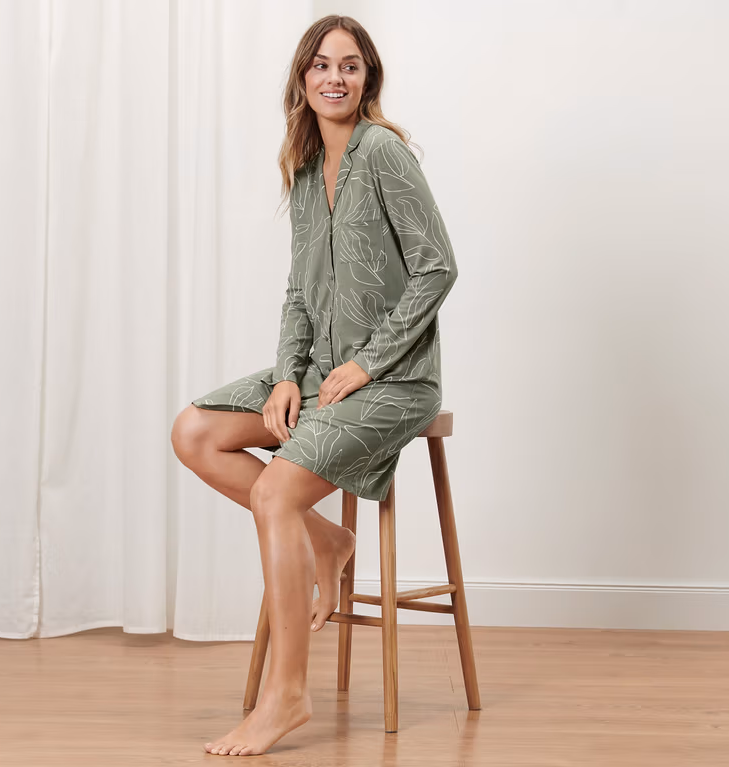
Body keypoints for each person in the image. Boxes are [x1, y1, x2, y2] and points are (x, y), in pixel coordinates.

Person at [170, 14, 458, 757]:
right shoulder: (302, 168)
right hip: (320, 368)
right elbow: (300, 290)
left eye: (350, 66)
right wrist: (285, 376)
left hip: (394, 380)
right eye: (323, 65)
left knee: (274, 493)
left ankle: (288, 695)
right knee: (195, 432)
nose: (336, 77)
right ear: (303, 78)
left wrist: (368, 363)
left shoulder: (383, 151)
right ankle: (327, 540)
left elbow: (437, 268)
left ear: (368, 79)